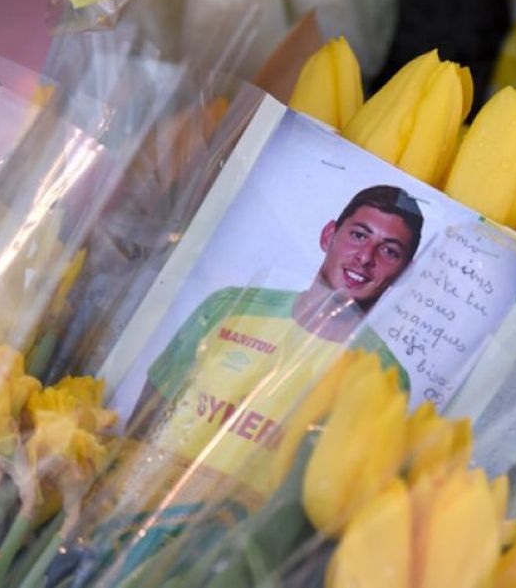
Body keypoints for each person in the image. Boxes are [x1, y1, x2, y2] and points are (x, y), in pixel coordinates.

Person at [130, 185, 424, 489]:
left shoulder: (385, 376)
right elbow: (147, 414)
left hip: (235, 534)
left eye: (389, 251)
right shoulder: (232, 306)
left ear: (404, 273)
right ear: (329, 235)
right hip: (145, 504)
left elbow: (341, 492)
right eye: (359, 236)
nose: (365, 257)